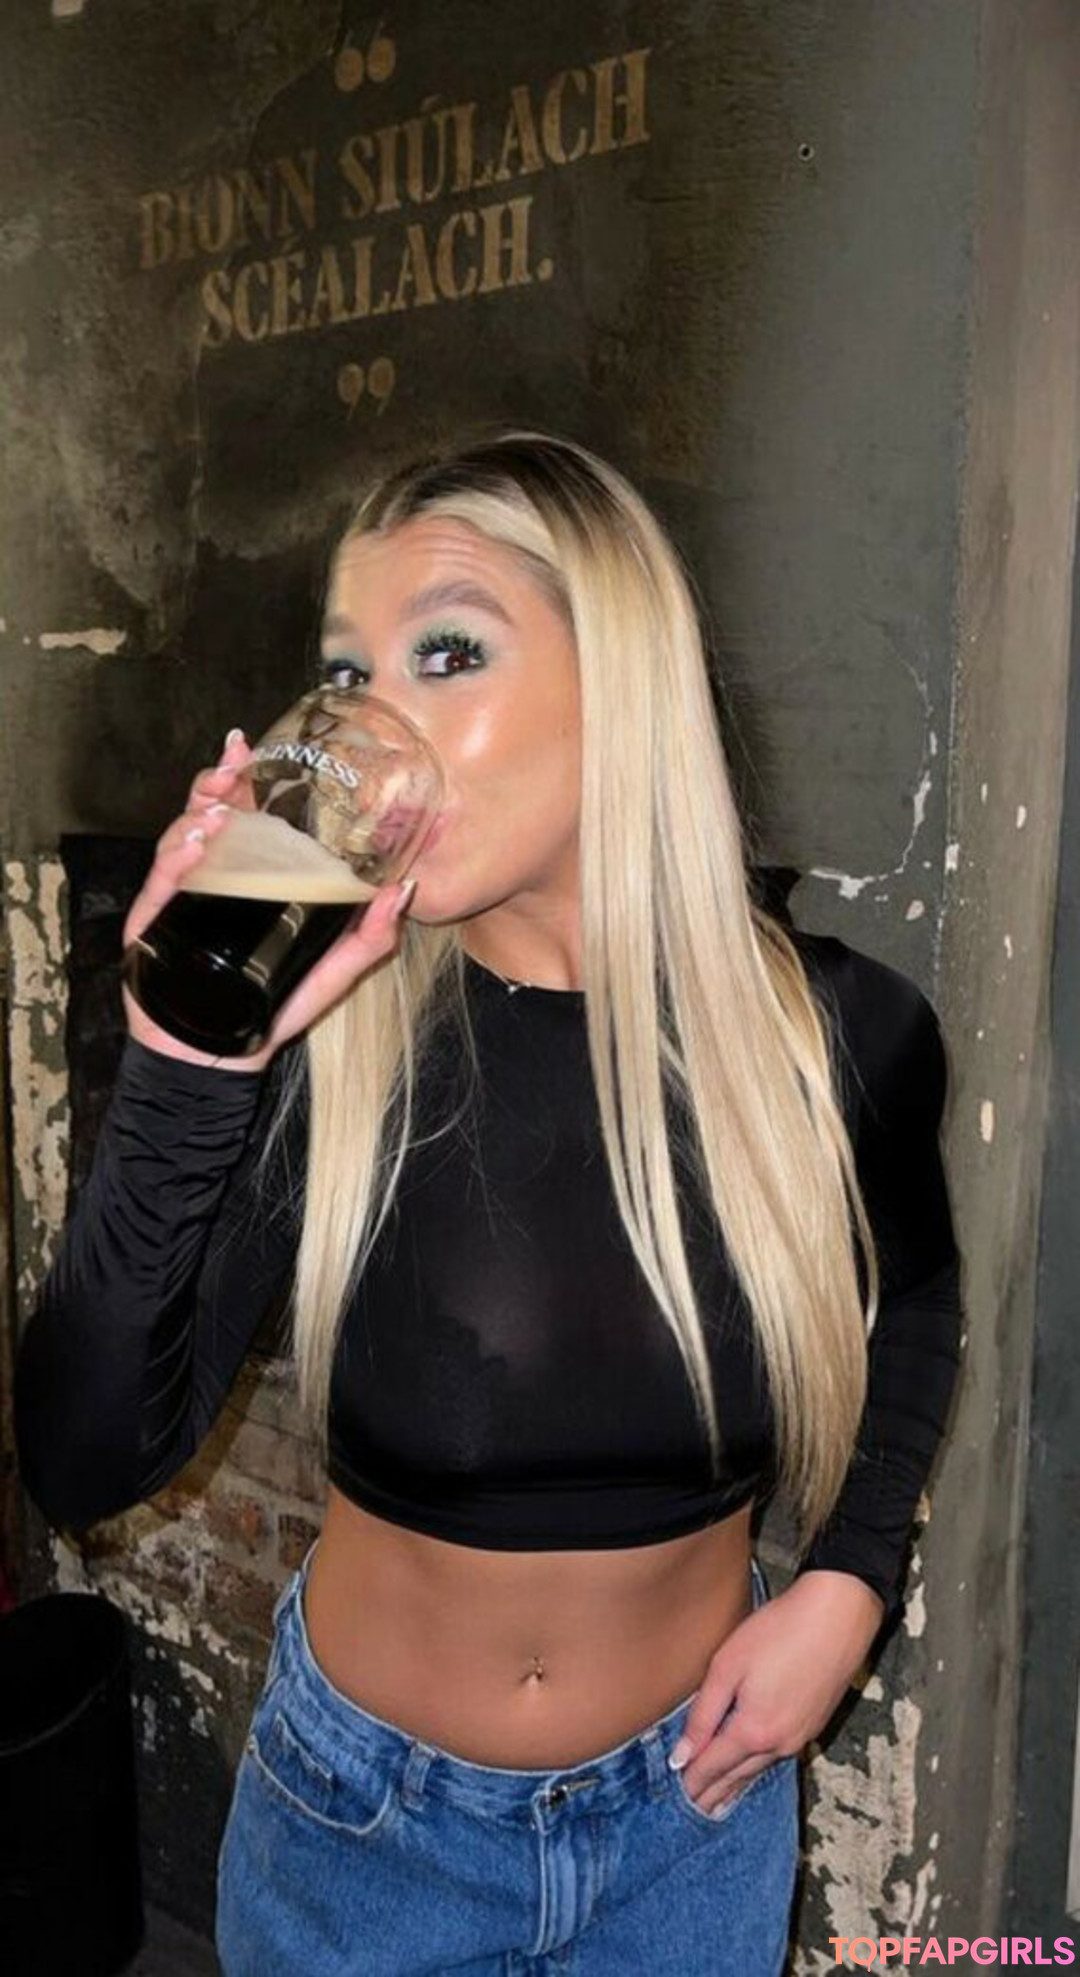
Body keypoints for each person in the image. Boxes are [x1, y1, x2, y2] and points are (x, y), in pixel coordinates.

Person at [14, 430, 964, 1976]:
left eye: (446, 651)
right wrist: (188, 1062)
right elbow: (81, 1456)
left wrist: (852, 1579)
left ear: (622, 683)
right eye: (350, 671)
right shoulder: (332, 1051)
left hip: (696, 1827)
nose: (375, 721)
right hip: (361, 1847)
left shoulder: (837, 1035)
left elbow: (913, 1297)